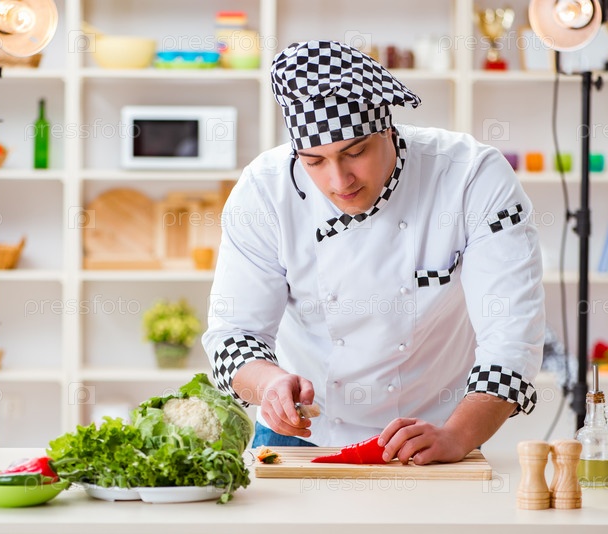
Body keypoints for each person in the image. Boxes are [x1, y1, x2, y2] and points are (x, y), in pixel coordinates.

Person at [202, 40, 545, 465]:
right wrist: (269, 385)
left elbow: (512, 339)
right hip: (300, 437)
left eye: (355, 152)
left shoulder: (470, 177)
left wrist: (458, 436)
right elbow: (233, 334)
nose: (338, 180)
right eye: (314, 162)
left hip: (435, 436)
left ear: (387, 130)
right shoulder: (264, 191)